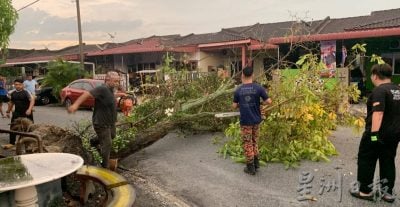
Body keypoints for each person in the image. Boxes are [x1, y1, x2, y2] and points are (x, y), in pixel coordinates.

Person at [350, 63, 400, 203]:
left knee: (366, 159)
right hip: (394, 135)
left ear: (375, 75)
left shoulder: (379, 91)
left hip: (377, 133)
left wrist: (373, 135)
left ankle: (365, 191)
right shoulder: (397, 90)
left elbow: (378, 113)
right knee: (388, 161)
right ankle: (387, 193)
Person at [68, 71, 125, 169]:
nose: (117, 83)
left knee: (113, 135)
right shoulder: (102, 88)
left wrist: (120, 94)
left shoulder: (110, 90)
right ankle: (105, 167)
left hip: (110, 123)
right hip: (101, 122)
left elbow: (109, 98)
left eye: (118, 81)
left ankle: (92, 142)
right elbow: (87, 94)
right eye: (115, 81)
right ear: (107, 80)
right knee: (107, 144)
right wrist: (75, 105)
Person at [232, 67, 272, 175]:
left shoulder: (238, 90)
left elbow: (234, 106)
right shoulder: (259, 88)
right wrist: (259, 103)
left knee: (247, 143)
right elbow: (269, 101)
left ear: (242, 76)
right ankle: (256, 163)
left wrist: (241, 104)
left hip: (246, 121)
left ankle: (250, 168)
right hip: (256, 120)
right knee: (255, 141)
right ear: (252, 75)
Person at [6, 78, 35, 145]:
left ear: (23, 85)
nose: (18, 86)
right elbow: (11, 102)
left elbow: (32, 100)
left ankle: (30, 143)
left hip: (26, 113)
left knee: (29, 128)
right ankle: (12, 143)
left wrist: (29, 109)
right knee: (13, 127)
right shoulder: (12, 93)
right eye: (16, 84)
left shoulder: (26, 92)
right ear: (14, 85)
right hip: (17, 112)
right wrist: (8, 111)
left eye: (19, 84)